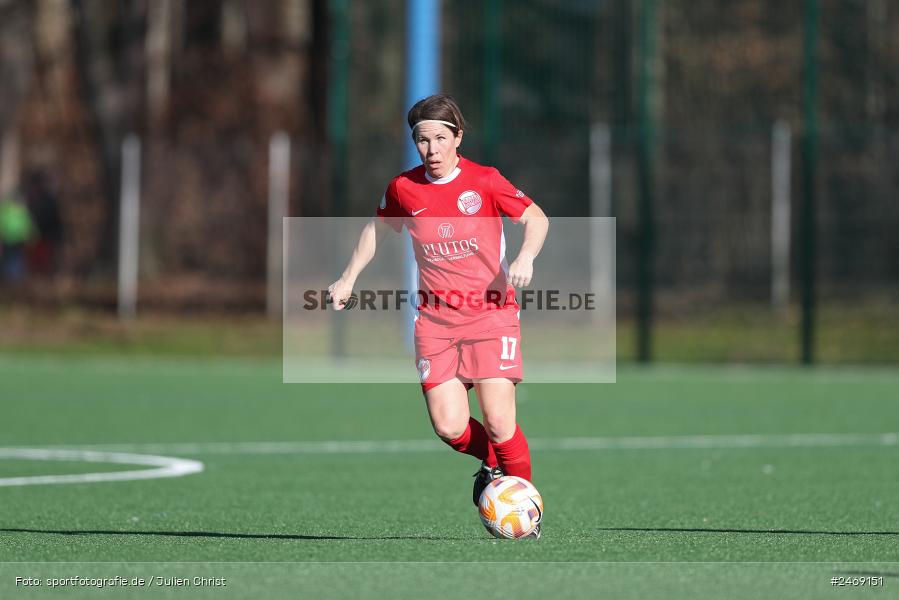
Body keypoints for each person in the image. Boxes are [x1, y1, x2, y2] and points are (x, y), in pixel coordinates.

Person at [328, 94, 549, 537]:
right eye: (421, 140)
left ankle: (523, 503)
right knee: (449, 426)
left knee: (501, 421)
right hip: (435, 322)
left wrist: (526, 258)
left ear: (458, 138)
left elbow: (535, 217)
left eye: (439, 138)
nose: (430, 149)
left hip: (490, 315)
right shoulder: (403, 188)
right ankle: (493, 463)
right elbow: (377, 229)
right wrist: (348, 276)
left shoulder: (484, 181)